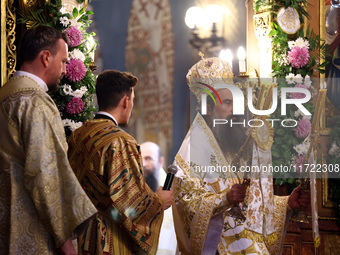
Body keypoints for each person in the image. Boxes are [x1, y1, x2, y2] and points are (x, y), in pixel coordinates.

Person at [172, 56, 310, 255]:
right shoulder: (194, 148)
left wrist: (286, 203)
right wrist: (224, 199)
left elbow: (250, 204)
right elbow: (184, 204)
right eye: (227, 103)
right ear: (208, 108)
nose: (235, 110)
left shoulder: (232, 143)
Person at [0, 25, 97, 255]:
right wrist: (65, 241)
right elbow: (44, 174)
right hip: (30, 233)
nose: (64, 69)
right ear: (45, 57)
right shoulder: (34, 102)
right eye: (63, 61)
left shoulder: (5, 96)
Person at [67, 70, 174, 255]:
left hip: (77, 237)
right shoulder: (121, 141)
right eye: (132, 100)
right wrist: (158, 202)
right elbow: (128, 202)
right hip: (108, 240)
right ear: (126, 101)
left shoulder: (78, 135)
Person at [140, 141, 178, 255]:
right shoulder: (132, 187)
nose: (143, 164)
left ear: (161, 162)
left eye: (148, 159)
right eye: (139, 159)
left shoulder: (172, 190)